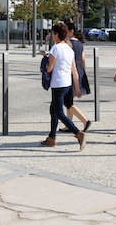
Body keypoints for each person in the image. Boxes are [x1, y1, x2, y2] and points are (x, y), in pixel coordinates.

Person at [40, 22, 87, 150]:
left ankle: (78, 133)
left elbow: (49, 69)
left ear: (56, 34)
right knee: (53, 109)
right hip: (67, 83)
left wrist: (45, 62)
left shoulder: (56, 48)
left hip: (58, 83)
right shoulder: (69, 48)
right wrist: (77, 87)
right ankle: (52, 137)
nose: (53, 36)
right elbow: (75, 70)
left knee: (59, 112)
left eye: (53, 33)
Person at [59, 21, 91, 132]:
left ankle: (84, 120)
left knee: (68, 101)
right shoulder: (80, 43)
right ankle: (69, 123)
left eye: (66, 31)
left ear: (71, 31)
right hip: (79, 71)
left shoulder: (68, 43)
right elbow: (82, 59)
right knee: (69, 99)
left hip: (70, 71)